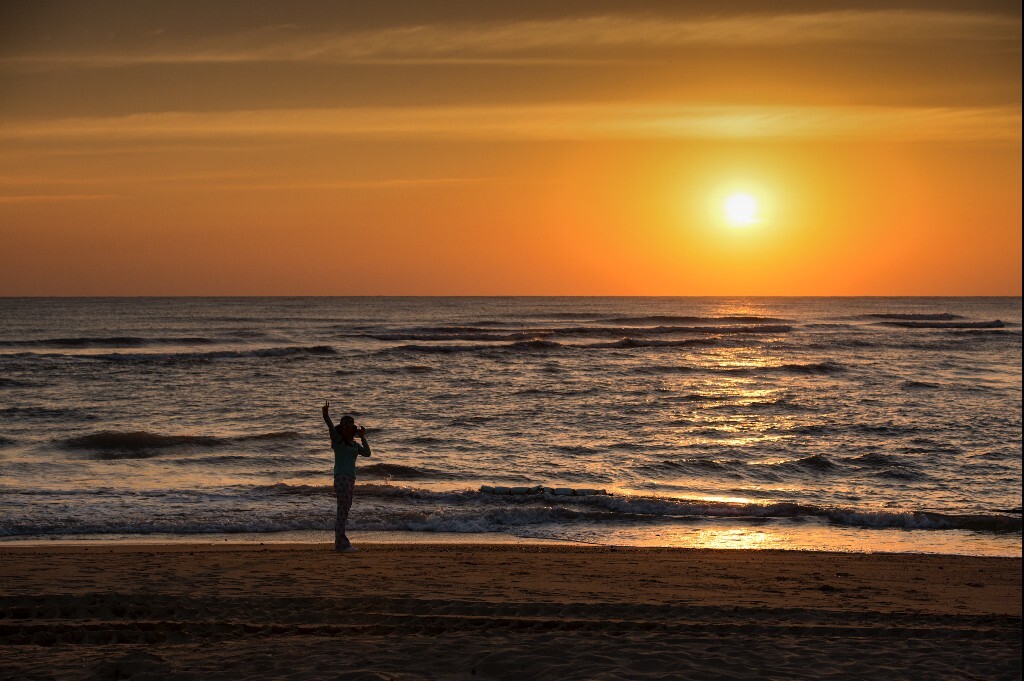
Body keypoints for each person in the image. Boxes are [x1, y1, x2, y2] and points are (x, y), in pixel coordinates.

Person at [322, 400, 371, 553]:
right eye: (345, 427)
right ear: (342, 429)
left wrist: (363, 437)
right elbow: (330, 427)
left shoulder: (354, 445)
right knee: (342, 510)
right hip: (341, 478)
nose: (347, 429)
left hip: (350, 479)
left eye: (350, 427)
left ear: (353, 429)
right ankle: (341, 544)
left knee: (345, 509)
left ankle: (341, 544)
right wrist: (326, 415)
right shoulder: (337, 441)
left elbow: (368, 453)